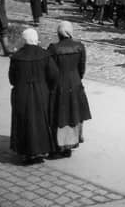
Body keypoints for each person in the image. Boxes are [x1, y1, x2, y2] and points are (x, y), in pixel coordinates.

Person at [9, 28, 58, 164]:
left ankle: (25, 152)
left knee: (24, 121)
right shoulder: (45, 54)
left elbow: (12, 78)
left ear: (24, 40)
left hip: (22, 92)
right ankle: (41, 150)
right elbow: (54, 75)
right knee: (40, 121)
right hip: (41, 91)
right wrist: (49, 88)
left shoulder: (17, 56)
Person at [47, 21, 91, 158]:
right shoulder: (80, 47)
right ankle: (70, 146)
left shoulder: (53, 48)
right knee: (74, 114)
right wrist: (77, 79)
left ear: (59, 33)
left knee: (59, 114)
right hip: (75, 83)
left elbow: (50, 71)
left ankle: (58, 146)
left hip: (59, 84)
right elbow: (82, 69)